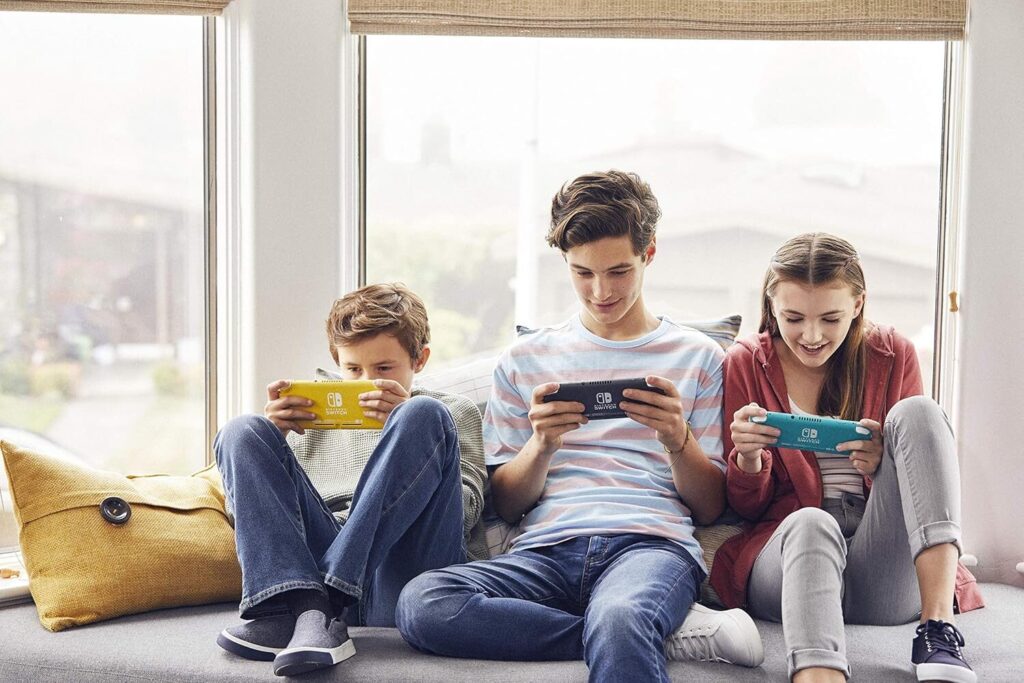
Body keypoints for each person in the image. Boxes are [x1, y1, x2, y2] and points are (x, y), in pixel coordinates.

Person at [395, 170, 764, 682]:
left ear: (649, 253)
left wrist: (677, 441)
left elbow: (709, 506)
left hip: (648, 544)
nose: (600, 291)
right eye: (581, 273)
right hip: (546, 550)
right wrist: (542, 445)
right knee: (423, 602)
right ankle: (645, 631)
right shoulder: (525, 359)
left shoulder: (700, 357)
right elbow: (506, 503)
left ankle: (627, 625)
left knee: (621, 615)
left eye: (618, 271)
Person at [711, 233, 983, 683]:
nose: (811, 336)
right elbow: (746, 509)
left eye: (830, 318)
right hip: (792, 558)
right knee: (811, 521)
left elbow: (916, 475)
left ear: (858, 304)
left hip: (882, 565)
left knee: (920, 412)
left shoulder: (893, 353)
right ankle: (819, 674)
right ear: (771, 305)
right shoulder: (746, 361)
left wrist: (882, 463)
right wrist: (749, 459)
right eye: (793, 317)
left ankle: (937, 630)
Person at [213, 283, 487, 676]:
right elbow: (258, 527)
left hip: (407, 572)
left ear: (420, 359)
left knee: (423, 414)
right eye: (353, 369)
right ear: (336, 360)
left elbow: (466, 514)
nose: (366, 382)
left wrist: (404, 423)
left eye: (384, 369)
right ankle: (310, 607)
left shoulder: (449, 413)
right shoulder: (314, 414)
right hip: (318, 569)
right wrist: (275, 439)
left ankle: (324, 602)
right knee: (243, 429)